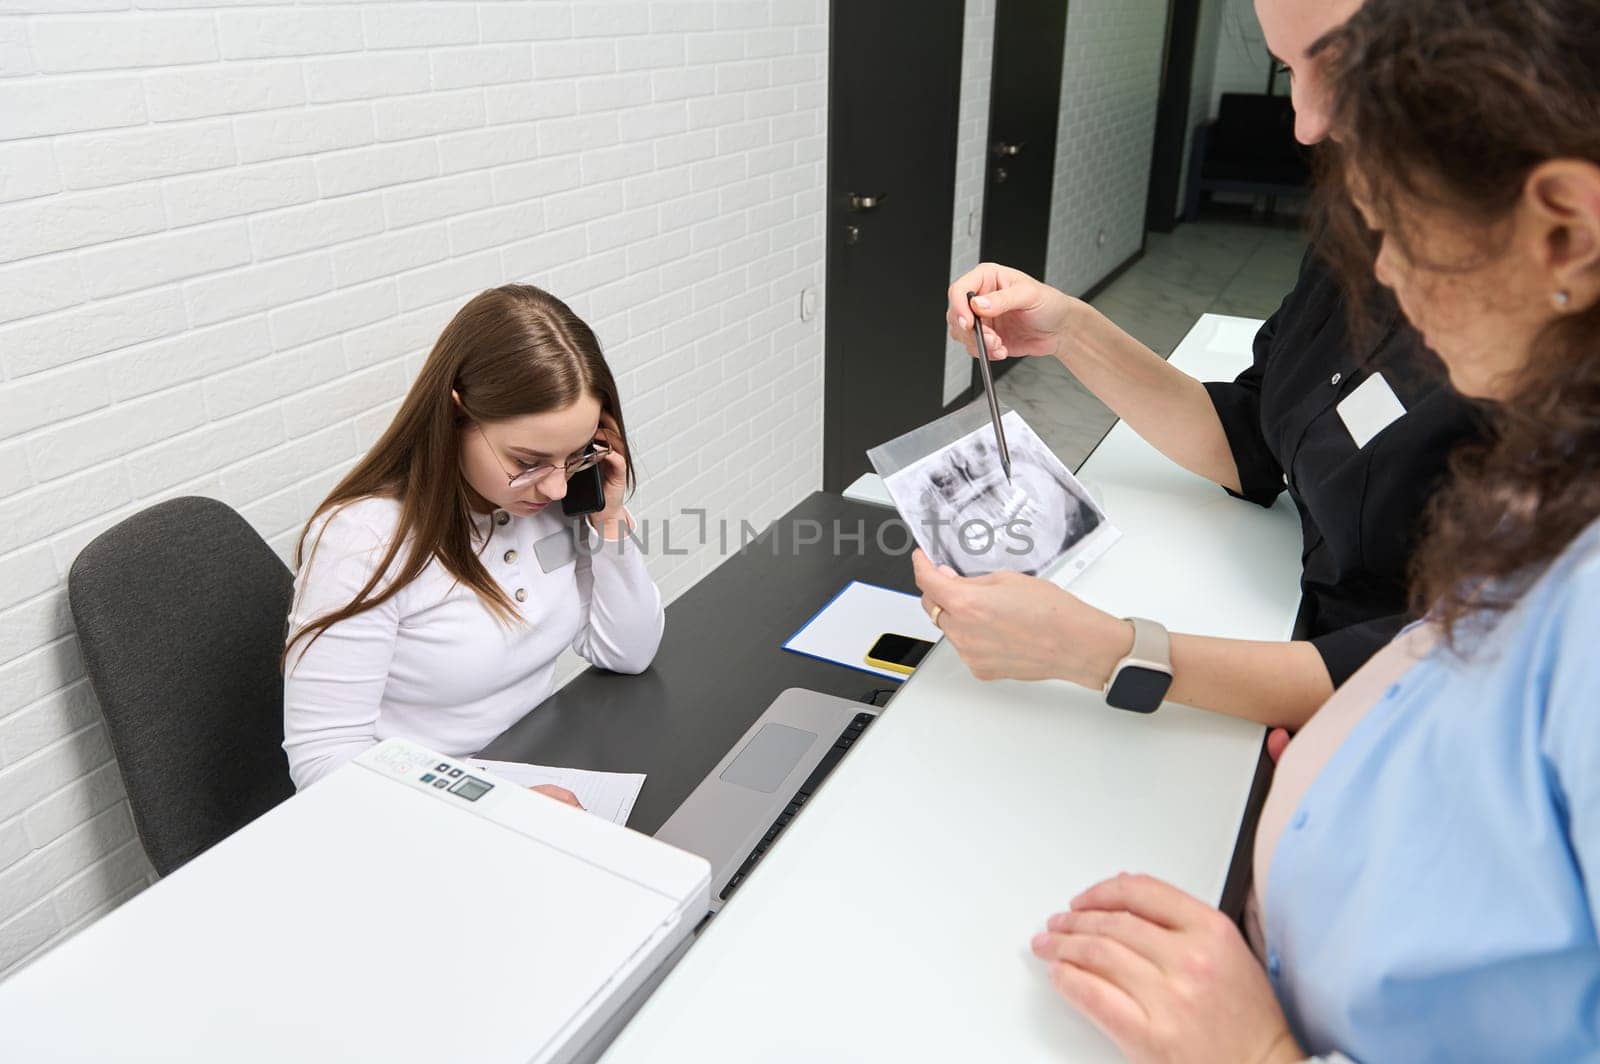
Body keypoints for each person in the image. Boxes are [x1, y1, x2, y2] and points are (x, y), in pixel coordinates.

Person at [1028, 1, 1600, 1058]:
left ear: (1562, 224)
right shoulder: (1547, 461)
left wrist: (1257, 1051)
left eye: (1403, 226)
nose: (1380, 267)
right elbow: (1257, 440)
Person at [915, 0, 1490, 729]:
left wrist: (1110, 652)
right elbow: (1251, 441)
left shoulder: (1548, 362)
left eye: (1339, 62)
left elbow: (1458, 672)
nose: (1306, 124)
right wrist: (1070, 330)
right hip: (1278, 638)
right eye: (1288, 70)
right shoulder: (1360, 220)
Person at [282, 285, 664, 803]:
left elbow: (627, 652)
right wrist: (499, 800)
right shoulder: (365, 540)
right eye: (527, 461)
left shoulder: (552, 502)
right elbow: (324, 760)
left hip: (537, 768)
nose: (555, 486)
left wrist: (609, 520)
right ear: (457, 414)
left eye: (576, 456)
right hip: (415, 816)